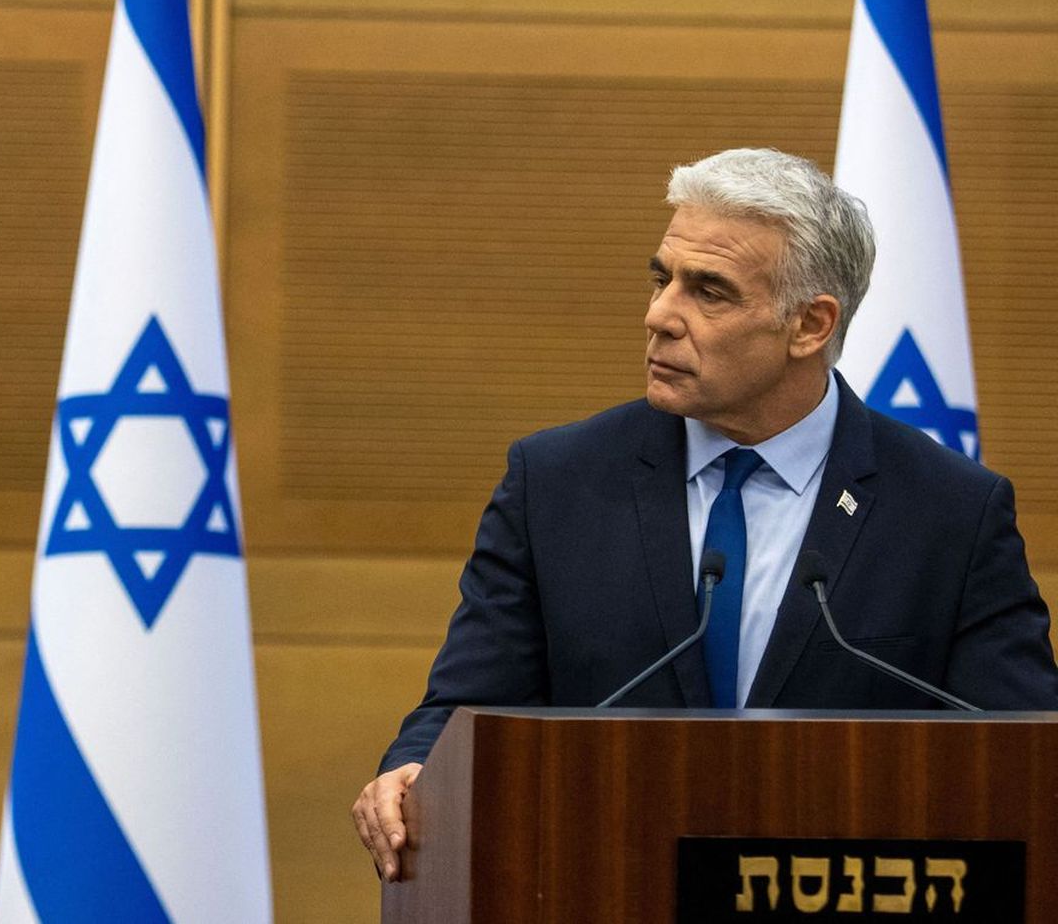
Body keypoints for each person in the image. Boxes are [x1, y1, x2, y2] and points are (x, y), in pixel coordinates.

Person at [351, 147, 1058, 881]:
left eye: (709, 292)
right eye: (663, 279)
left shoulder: (949, 512)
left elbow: (1022, 756)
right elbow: (466, 708)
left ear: (810, 326)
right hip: (603, 880)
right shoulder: (557, 483)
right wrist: (410, 771)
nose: (659, 315)